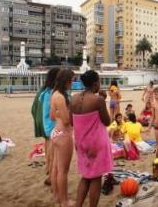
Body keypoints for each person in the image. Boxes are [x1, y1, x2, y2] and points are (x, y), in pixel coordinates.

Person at [70, 70, 112, 207]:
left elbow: (72, 122)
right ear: (95, 83)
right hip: (96, 143)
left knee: (86, 176)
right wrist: (103, 102)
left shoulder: (74, 99)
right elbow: (107, 121)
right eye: (99, 81)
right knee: (96, 178)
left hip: (81, 143)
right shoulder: (98, 100)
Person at [50, 69, 75, 207]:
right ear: (67, 81)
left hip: (55, 132)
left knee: (56, 168)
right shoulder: (60, 96)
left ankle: (57, 196)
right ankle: (64, 201)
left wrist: (60, 112)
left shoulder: (54, 94)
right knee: (63, 171)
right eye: (72, 80)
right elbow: (66, 121)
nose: (72, 82)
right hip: (63, 134)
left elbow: (52, 116)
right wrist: (71, 111)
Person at [31, 67, 60, 185]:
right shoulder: (51, 92)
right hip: (51, 126)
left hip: (44, 124)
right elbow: (51, 112)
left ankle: (49, 170)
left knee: (48, 148)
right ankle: (51, 176)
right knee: (52, 151)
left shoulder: (43, 90)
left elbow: (33, 109)